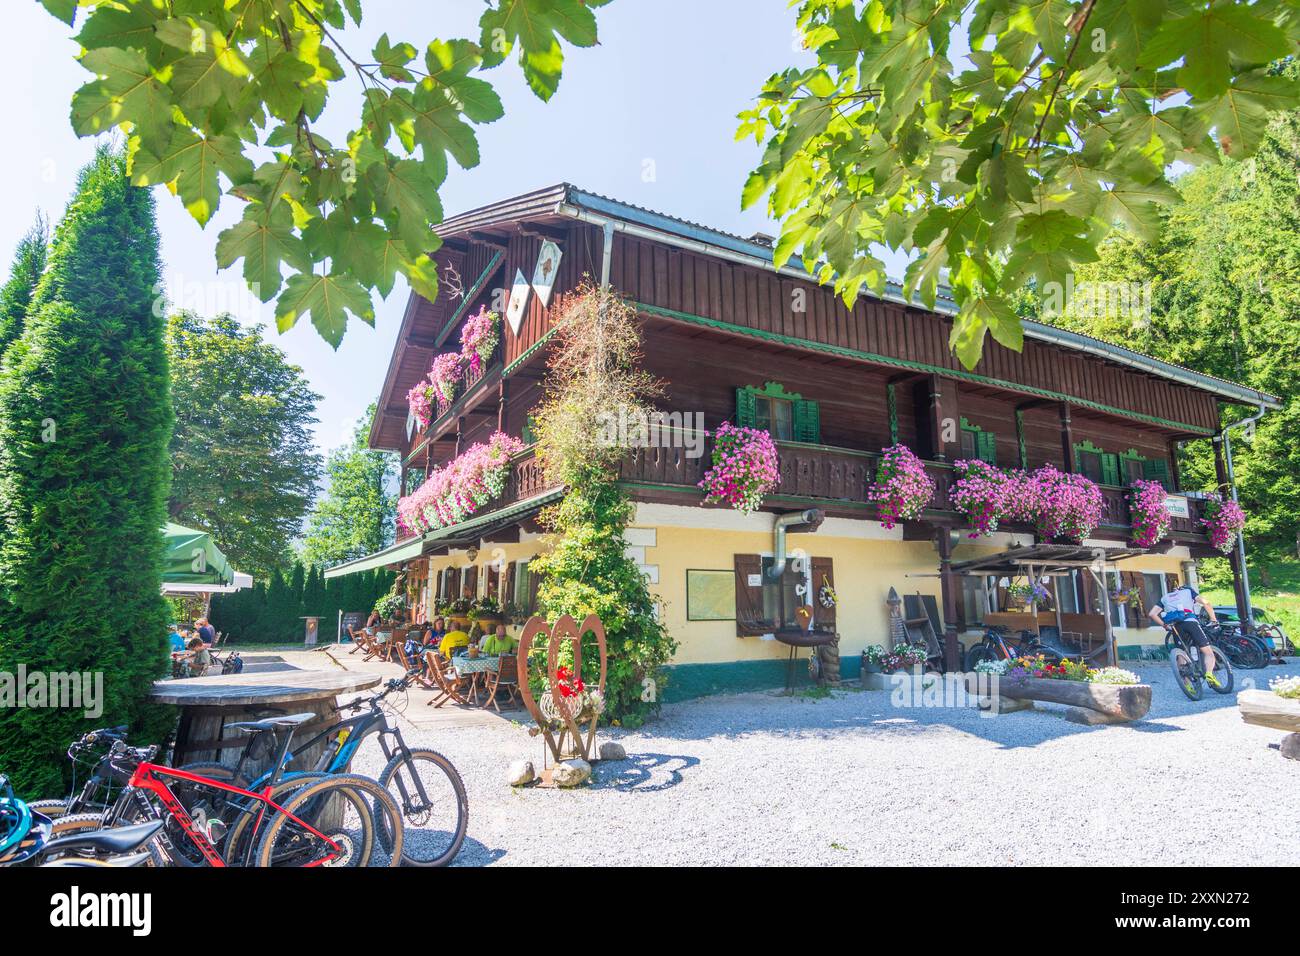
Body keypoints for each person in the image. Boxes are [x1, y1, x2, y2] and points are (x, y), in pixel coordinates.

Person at [1149, 584, 1221, 687]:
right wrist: (1213, 620)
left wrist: (1164, 625)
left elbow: (1152, 614)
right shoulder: (1188, 592)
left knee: (1181, 654)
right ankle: (1209, 674)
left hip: (1176, 627)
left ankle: (1187, 686)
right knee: (1208, 652)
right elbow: (1206, 603)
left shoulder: (1165, 597)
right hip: (1191, 623)